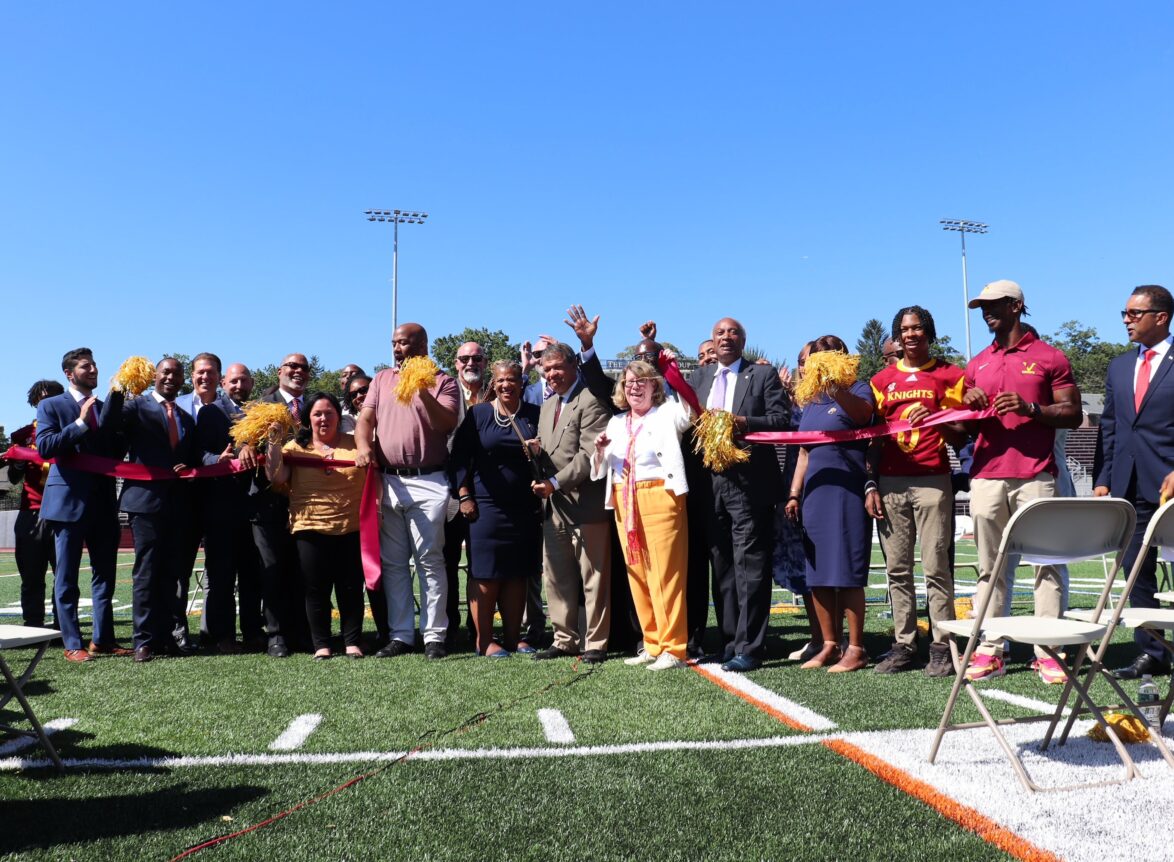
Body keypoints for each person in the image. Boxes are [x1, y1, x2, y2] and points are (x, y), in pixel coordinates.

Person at [958, 279, 1081, 683]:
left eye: (994, 304)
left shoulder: (1050, 356)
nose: (986, 312)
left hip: (1037, 474)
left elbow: (1073, 414)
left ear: (1017, 305)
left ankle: (1049, 650)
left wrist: (1030, 408)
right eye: (981, 306)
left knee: (1047, 563)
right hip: (986, 476)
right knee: (989, 568)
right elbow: (961, 429)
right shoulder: (976, 363)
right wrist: (967, 406)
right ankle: (991, 648)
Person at [104, 357, 228, 662]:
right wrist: (118, 388)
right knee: (147, 572)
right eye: (166, 372)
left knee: (176, 574)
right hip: (145, 502)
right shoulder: (136, 407)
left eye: (177, 374)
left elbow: (196, 455)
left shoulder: (186, 417)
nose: (172, 377)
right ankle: (143, 640)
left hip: (179, 504)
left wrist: (217, 460)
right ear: (155, 376)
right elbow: (108, 424)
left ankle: (172, 635)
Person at [867, 307, 965, 677]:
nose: (911, 335)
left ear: (929, 332)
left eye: (917, 328)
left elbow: (962, 435)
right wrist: (871, 482)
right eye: (904, 330)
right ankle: (904, 644)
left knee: (937, 566)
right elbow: (872, 440)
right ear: (897, 336)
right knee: (897, 568)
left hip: (932, 479)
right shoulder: (881, 380)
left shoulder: (950, 375)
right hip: (891, 482)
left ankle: (942, 645)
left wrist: (938, 421)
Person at [691, 318, 790, 672]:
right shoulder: (699, 378)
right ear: (712, 342)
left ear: (743, 340)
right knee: (723, 568)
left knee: (750, 566)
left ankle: (750, 646)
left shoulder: (761, 376)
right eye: (720, 333)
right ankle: (729, 641)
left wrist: (746, 423)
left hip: (749, 484)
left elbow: (783, 419)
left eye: (733, 333)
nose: (726, 338)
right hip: (709, 485)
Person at [356, 323, 459, 660]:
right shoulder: (382, 379)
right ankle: (401, 634)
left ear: (422, 344)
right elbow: (365, 421)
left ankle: (434, 636)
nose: (397, 348)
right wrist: (362, 446)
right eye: (394, 343)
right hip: (389, 480)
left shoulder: (443, 379)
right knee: (394, 563)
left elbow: (445, 423)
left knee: (430, 560)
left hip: (429, 480)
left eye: (403, 342)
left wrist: (422, 390)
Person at [592, 361, 694, 670]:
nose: (634, 387)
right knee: (637, 572)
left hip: (661, 495)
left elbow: (691, 407)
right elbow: (599, 470)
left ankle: (673, 648)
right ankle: (652, 643)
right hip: (625, 499)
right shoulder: (616, 422)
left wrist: (673, 370)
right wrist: (599, 450)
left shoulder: (668, 412)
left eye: (641, 382)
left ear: (654, 386)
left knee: (666, 573)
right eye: (628, 383)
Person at [1095, 284, 1174, 679]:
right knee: (1135, 571)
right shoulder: (1119, 366)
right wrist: (1104, 479)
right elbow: (1110, 426)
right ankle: (1153, 654)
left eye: (1133, 313)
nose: (1126, 320)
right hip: (1128, 486)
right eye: (1124, 313)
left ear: (1161, 317)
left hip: (1170, 485)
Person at [785, 335, 876, 673]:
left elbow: (865, 415)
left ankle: (856, 648)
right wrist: (795, 493)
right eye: (816, 356)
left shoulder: (859, 388)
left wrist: (836, 387)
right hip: (815, 494)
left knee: (847, 572)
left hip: (846, 492)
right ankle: (829, 644)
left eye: (828, 355)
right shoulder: (810, 400)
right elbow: (805, 451)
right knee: (819, 573)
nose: (820, 361)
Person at [36, 348, 131, 662]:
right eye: (85, 365)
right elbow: (46, 448)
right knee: (67, 578)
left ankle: (102, 639)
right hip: (67, 504)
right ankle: (72, 642)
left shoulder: (106, 406)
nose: (92, 369)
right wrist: (79, 424)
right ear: (69, 373)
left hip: (104, 502)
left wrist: (117, 411)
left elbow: (115, 453)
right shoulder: (51, 405)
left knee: (105, 576)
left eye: (94, 365)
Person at [449, 360, 542, 657]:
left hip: (524, 507)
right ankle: (484, 639)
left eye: (512, 379)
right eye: (501, 380)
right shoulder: (478, 415)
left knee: (517, 573)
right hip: (485, 507)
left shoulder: (535, 415)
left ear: (521, 382)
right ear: (494, 382)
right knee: (485, 574)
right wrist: (464, 496)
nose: (506, 385)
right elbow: (460, 459)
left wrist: (538, 451)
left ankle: (514, 638)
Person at [266, 392, 366, 660]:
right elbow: (276, 479)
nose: (324, 418)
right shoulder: (295, 448)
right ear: (308, 419)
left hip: (351, 526)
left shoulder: (356, 442)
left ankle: (352, 642)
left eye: (329, 413)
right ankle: (321, 644)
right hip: (309, 527)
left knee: (350, 587)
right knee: (315, 589)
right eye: (318, 414)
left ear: (339, 416)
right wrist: (274, 443)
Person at [530, 342, 612, 662]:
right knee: (557, 577)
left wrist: (553, 483)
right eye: (547, 370)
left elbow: (589, 455)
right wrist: (535, 455)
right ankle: (564, 639)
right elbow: (552, 454)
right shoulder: (548, 406)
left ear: (573, 366)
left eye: (557, 368)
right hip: (553, 508)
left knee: (593, 577)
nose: (552, 375)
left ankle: (596, 642)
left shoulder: (591, 399)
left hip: (586, 504)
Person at [175, 352, 245, 653]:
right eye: (200, 372)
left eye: (211, 372)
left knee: (220, 572)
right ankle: (176, 633)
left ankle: (216, 633)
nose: (205, 377)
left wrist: (221, 460)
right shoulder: (175, 406)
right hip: (181, 500)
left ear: (220, 377)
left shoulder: (234, 411)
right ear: (192, 376)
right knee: (178, 571)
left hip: (220, 500)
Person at [252, 353, 314, 658]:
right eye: (292, 366)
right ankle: (276, 635)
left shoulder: (314, 408)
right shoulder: (260, 405)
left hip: (305, 500)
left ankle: (301, 632)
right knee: (273, 569)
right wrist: (249, 445)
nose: (297, 371)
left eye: (303, 368)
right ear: (280, 371)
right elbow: (243, 444)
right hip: (268, 502)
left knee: (301, 569)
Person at [774, 342, 822, 662]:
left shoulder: (830, 397)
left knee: (824, 566)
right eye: (800, 361)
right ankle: (819, 636)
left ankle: (832, 637)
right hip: (796, 486)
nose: (803, 367)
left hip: (824, 487)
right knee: (805, 566)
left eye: (809, 361)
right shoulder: (799, 399)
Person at [444, 341, 491, 649]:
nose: (470, 363)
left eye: (476, 358)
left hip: (490, 490)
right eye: (464, 359)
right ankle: (449, 630)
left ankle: (481, 631)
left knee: (484, 563)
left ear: (484, 363)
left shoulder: (497, 390)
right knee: (447, 561)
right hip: (448, 488)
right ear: (456, 363)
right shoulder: (445, 392)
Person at [9, 379, 65, 628]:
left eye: (52, 397)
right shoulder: (21, 435)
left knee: (63, 574)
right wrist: (18, 463)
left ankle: (61, 624)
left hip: (62, 510)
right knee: (31, 574)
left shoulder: (70, 432)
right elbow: (13, 478)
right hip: (30, 511)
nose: (47, 402)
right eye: (42, 398)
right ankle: (33, 623)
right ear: (34, 401)